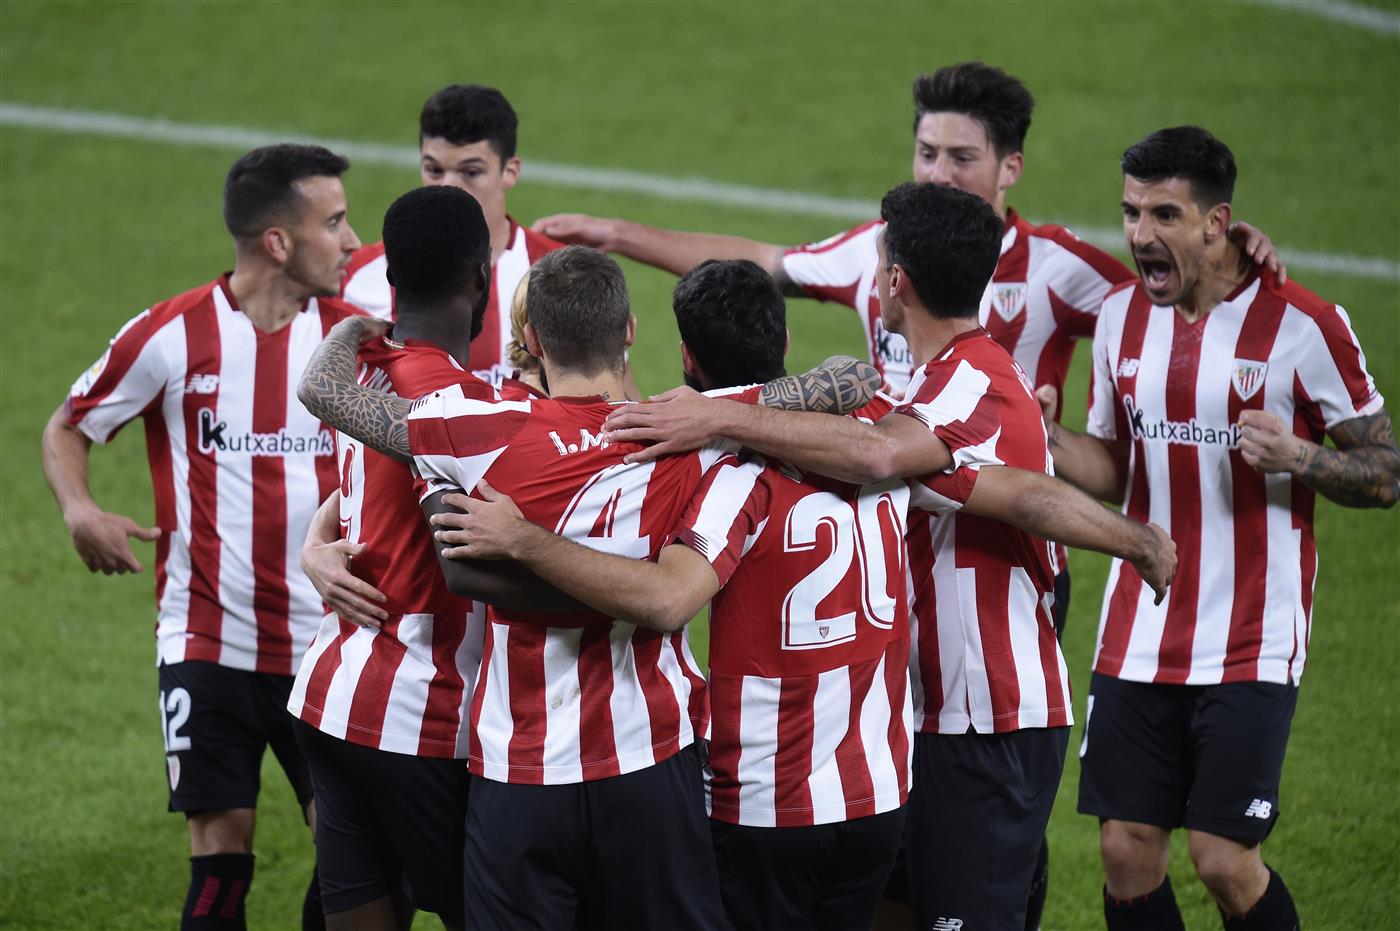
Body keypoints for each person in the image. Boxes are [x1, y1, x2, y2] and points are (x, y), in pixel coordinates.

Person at [428, 257, 1179, 931]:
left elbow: (666, 597)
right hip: (876, 791)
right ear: (783, 346)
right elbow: (1016, 494)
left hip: (764, 794)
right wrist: (1136, 538)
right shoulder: (871, 443)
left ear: (684, 356)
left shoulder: (716, 467)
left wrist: (523, 536)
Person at [296, 245, 884, 931]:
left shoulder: (477, 427)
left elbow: (325, 390)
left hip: (520, 771)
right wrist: (728, 412)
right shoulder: (691, 430)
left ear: (535, 339)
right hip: (649, 759)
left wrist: (351, 330)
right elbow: (852, 380)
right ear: (630, 329)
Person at [1038, 126, 1399, 931]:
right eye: (1131, 212)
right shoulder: (1124, 318)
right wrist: (1046, 439)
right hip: (1139, 628)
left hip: (1251, 632)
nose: (1140, 235)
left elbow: (1386, 473)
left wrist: (1301, 453)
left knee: (1223, 859)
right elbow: (1115, 466)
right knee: (1127, 855)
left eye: (1164, 213)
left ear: (1216, 221)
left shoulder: (1304, 325)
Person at [41, 144, 363, 931]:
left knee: (356, 858)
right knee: (220, 856)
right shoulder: (172, 334)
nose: (353, 241)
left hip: (328, 644)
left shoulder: (355, 340)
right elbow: (69, 424)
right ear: (277, 242)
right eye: (335, 221)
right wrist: (79, 507)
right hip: (206, 639)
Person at [288, 186, 566, 930]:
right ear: (481, 277)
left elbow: (363, 490)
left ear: (390, 278)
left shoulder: (367, 368)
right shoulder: (461, 406)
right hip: (419, 715)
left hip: (330, 696)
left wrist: (315, 547)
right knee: (494, 915)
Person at [340, 83, 564, 385]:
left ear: (509, 171)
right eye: (434, 170)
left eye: (470, 172)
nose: (448, 186)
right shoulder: (358, 277)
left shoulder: (560, 276)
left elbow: (610, 400)